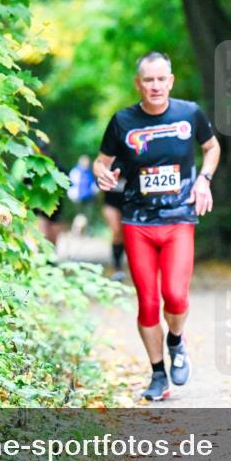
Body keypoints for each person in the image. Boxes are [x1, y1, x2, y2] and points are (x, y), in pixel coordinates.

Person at [93, 52, 221, 402]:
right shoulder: (122, 121)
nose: (155, 86)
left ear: (171, 81)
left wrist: (204, 180)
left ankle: (176, 341)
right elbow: (101, 162)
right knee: (148, 303)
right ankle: (157, 374)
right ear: (138, 84)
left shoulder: (189, 113)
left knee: (176, 297)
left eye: (161, 79)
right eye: (148, 80)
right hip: (137, 222)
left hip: (179, 218)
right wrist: (102, 173)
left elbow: (211, 147)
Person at [101, 158, 127, 280]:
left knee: (127, 234)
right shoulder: (108, 159)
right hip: (111, 203)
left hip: (128, 203)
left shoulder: (132, 155)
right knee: (116, 232)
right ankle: (117, 268)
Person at [67, 154, 97, 236]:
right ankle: (76, 231)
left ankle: (85, 231)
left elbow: (92, 185)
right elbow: (72, 184)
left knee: (86, 215)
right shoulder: (76, 171)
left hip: (88, 197)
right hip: (78, 197)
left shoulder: (89, 172)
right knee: (79, 215)